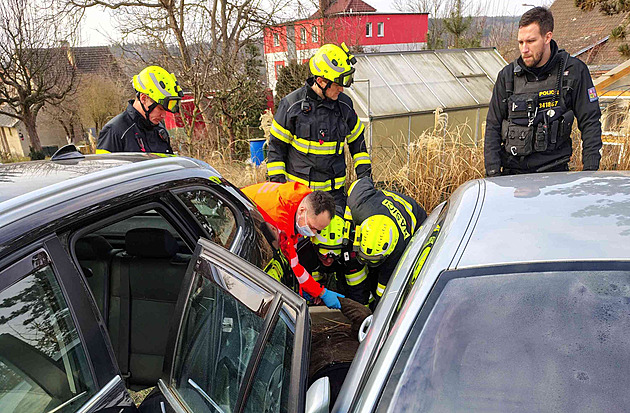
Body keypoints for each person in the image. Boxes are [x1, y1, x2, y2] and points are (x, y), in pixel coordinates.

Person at [484, 7, 602, 176]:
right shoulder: (507, 76)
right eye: (520, 42)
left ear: (547, 37)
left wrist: (589, 174)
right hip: (513, 177)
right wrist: (493, 175)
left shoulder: (573, 71)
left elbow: (590, 122)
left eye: (531, 41)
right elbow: (492, 127)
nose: (524, 49)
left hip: (556, 174)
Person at [267, 43, 371, 213]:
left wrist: (365, 182)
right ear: (321, 81)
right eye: (337, 83)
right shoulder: (291, 106)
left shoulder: (345, 106)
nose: (341, 88)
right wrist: (280, 191)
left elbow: (358, 146)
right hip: (300, 197)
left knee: (336, 238)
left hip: (335, 198)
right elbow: (276, 151)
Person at [241, 181, 345, 309]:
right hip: (238, 220)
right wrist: (320, 292)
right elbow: (292, 264)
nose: (312, 234)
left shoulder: (303, 199)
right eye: (312, 227)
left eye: (318, 230)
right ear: (302, 210)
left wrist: (310, 290)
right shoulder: (279, 222)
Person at [346, 177, 426, 302]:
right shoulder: (359, 204)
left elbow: (385, 288)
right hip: (380, 202)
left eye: (373, 261)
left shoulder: (399, 250)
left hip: (414, 214)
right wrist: (348, 220)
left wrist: (379, 305)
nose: (368, 264)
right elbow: (359, 182)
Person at [97, 65, 183, 154]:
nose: (163, 115)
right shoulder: (114, 131)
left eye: (166, 111)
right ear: (143, 98)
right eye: (160, 109)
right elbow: (103, 166)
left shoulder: (159, 130)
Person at [297, 215, 371, 305]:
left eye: (335, 255)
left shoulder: (351, 250)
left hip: (343, 264)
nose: (329, 260)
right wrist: (314, 292)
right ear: (314, 246)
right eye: (324, 255)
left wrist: (360, 310)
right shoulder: (304, 250)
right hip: (314, 264)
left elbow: (358, 290)